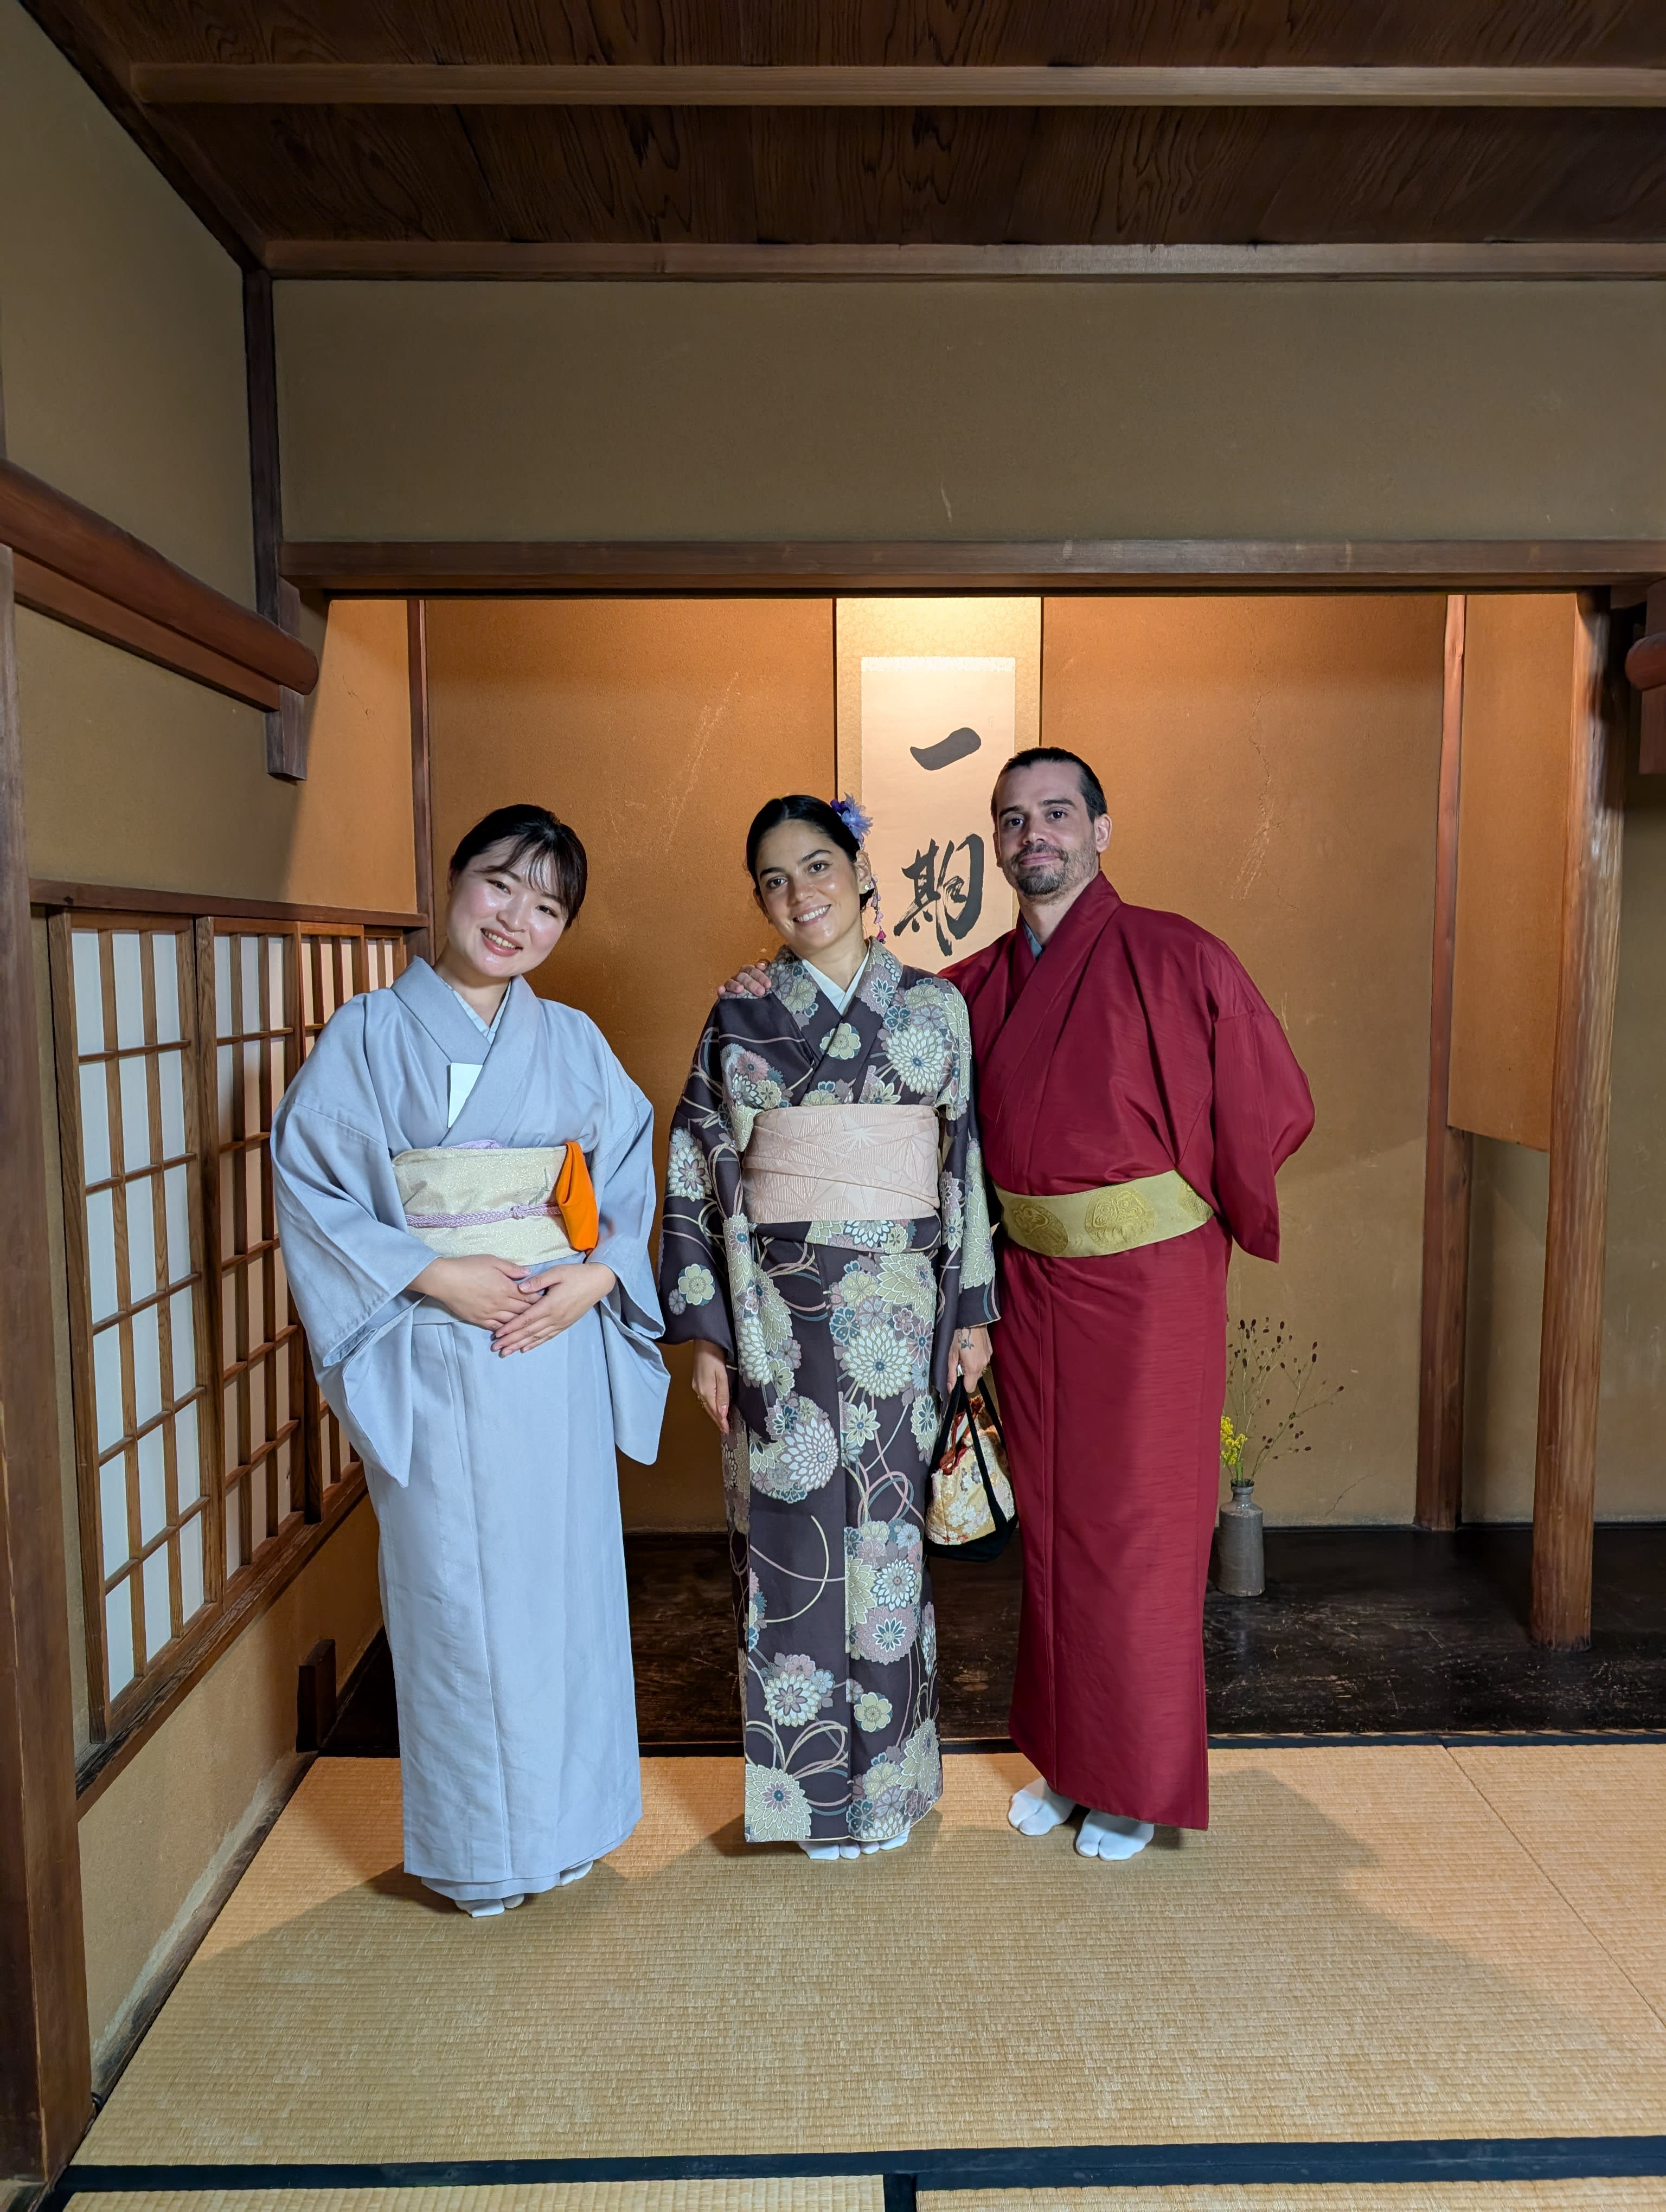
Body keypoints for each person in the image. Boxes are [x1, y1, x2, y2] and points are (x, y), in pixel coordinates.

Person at [722, 750, 1312, 1861]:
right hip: (1027, 1284)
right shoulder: (975, 987)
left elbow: (1269, 1105)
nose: (1034, 834)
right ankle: (1068, 1759)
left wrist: (1193, 1213)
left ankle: (1132, 1782)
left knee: (1138, 1533)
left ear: (1101, 829)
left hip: (1149, 1286)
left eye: (1056, 813)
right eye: (1011, 819)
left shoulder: (1177, 955)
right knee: (1053, 1532)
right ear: (993, 844)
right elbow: (922, 1130)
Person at [271, 803, 668, 1915]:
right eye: (500, 884)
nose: (515, 919)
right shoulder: (367, 1035)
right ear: (453, 881)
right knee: (455, 1597)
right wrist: (433, 1274)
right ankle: (483, 1854)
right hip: (434, 1349)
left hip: (553, 1350)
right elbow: (312, 1184)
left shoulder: (572, 1039)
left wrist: (599, 1276)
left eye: (546, 907)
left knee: (564, 1593)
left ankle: (572, 1827)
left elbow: (627, 1175)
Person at [662, 794, 997, 1859]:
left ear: (861, 873)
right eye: (773, 880)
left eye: (816, 866)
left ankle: (887, 1793)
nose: (798, 893)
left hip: (902, 1307)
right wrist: (710, 1336)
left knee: (890, 1549)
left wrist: (972, 1314)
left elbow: (962, 1158)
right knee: (791, 1547)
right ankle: (809, 1798)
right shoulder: (743, 1011)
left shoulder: (935, 1008)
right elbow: (697, 1161)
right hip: (777, 1316)